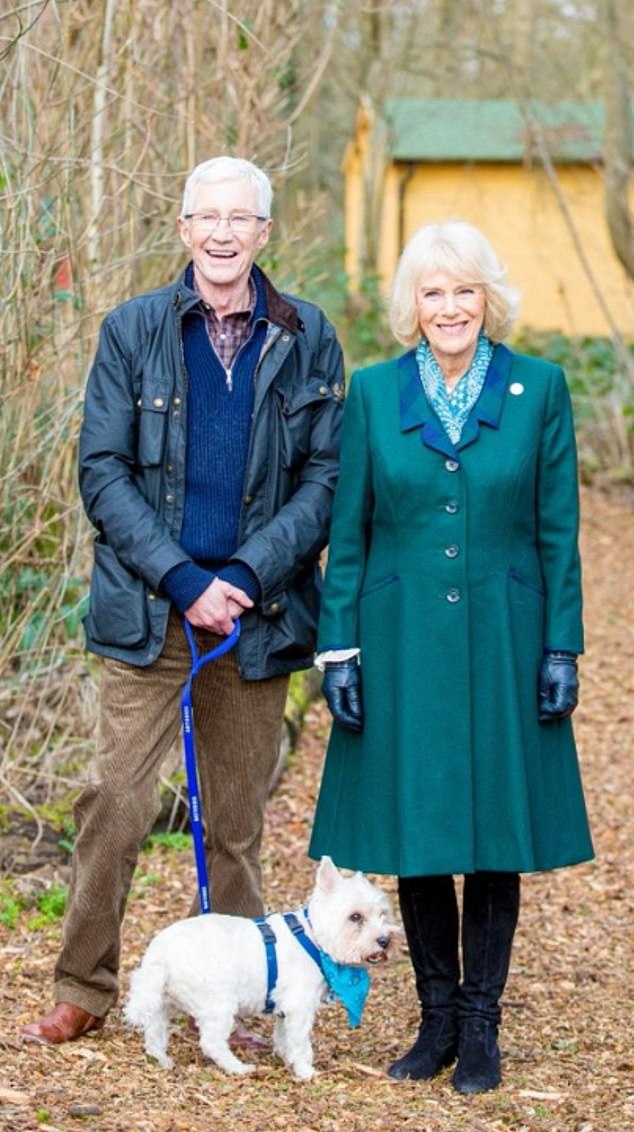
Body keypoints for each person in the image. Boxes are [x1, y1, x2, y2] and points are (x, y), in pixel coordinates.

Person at [21, 156, 344, 1046]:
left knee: (236, 821)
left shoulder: (309, 336)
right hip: (148, 610)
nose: (224, 233)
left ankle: (238, 996)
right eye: (208, 216)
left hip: (257, 613)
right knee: (116, 802)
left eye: (242, 219)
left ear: (265, 233)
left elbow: (324, 477)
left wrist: (243, 576)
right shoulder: (131, 331)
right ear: (184, 228)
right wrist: (184, 580)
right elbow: (102, 470)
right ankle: (84, 984)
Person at [309, 220, 593, 1094]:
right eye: (432, 292)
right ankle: (433, 1023)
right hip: (399, 646)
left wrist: (561, 645)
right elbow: (348, 531)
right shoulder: (375, 393)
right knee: (420, 834)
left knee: (493, 833)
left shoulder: (539, 388)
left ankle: (481, 1029)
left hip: (506, 639)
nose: (449, 307)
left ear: (487, 298)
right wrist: (339, 649)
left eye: (464, 290)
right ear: (412, 306)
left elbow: (558, 531)